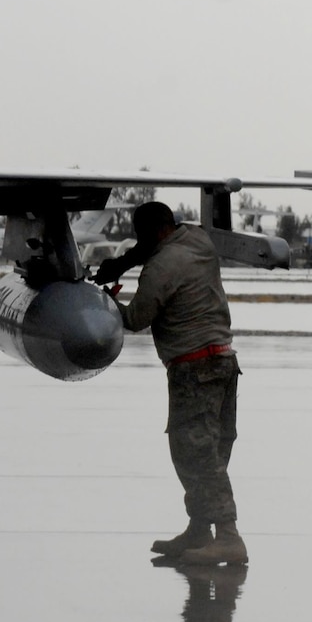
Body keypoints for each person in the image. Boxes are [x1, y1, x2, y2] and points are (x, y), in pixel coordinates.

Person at [95, 202, 245, 566]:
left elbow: (136, 317)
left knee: (197, 455)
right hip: (223, 361)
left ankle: (228, 536)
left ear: (153, 232)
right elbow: (152, 247)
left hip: (194, 369)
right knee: (210, 451)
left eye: (141, 235)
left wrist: (105, 302)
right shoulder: (198, 240)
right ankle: (199, 531)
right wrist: (126, 261)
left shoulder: (161, 267)